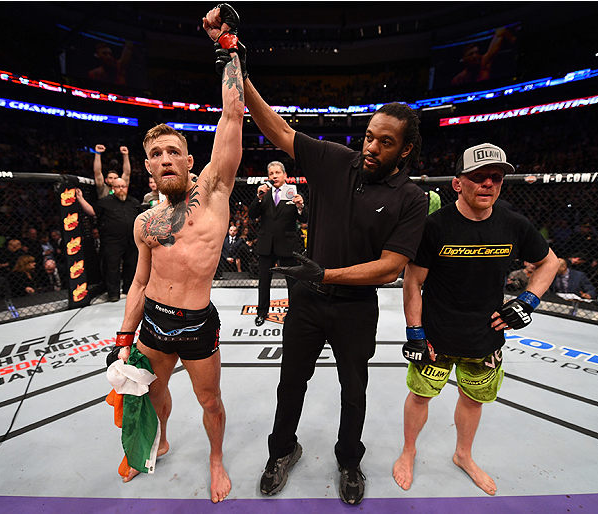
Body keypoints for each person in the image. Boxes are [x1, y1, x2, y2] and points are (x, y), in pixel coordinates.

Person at [239, 36, 427, 502]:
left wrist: (325, 275)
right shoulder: (334, 160)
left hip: (354, 306)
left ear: (404, 151)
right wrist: (240, 79)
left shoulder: (411, 198)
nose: (371, 147)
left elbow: (389, 269)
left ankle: (349, 461)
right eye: (369, 136)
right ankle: (282, 450)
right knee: (291, 382)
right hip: (307, 301)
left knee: (353, 389)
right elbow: (279, 132)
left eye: (385, 143)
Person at [106, 6, 244, 502]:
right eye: (157, 155)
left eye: (174, 151)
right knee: (152, 393)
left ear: (190, 158)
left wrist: (226, 50)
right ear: (148, 167)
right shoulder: (145, 223)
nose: (166, 159)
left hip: (197, 321)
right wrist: (124, 335)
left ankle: (215, 459)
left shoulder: (214, 191)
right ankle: (160, 440)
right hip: (154, 324)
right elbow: (139, 283)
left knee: (210, 400)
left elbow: (232, 115)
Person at [392, 143, 559, 496]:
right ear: (457, 183)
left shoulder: (513, 223)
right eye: (478, 177)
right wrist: (415, 332)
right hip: (437, 336)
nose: (487, 184)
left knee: (474, 399)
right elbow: (413, 281)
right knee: (420, 395)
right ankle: (408, 451)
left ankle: (463, 455)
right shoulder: (435, 227)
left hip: (485, 337)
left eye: (495, 178)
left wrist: (527, 301)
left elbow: (550, 262)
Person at [248, 160, 308, 325]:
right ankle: (262, 312)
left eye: (277, 173)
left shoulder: (293, 193)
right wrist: (258, 198)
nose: (274, 176)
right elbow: (252, 215)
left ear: (285, 175)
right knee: (264, 282)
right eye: (271, 174)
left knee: (292, 282)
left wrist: (300, 206)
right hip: (266, 244)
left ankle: (296, 313)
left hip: (287, 245)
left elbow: (304, 218)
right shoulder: (264, 194)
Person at [76, 177, 142, 301]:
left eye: (123, 186)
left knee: (131, 265)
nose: (121, 189)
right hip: (112, 241)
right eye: (118, 187)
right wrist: (80, 199)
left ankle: (129, 289)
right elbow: (92, 211)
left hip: (131, 240)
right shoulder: (105, 201)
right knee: (112, 267)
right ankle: (113, 294)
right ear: (113, 188)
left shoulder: (133, 202)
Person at [451, 26, 515, 85]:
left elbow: (500, 34)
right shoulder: (458, 79)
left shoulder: (484, 63)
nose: (475, 56)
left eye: (476, 52)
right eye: (471, 54)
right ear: (464, 59)